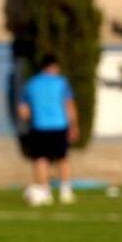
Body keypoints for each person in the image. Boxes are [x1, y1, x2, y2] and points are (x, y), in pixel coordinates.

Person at [17, 54, 78, 206]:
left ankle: (45, 192)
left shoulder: (31, 84)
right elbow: (68, 104)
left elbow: (23, 110)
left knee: (40, 159)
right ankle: (65, 191)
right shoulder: (61, 83)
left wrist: (31, 117)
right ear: (55, 67)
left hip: (39, 126)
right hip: (59, 125)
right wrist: (74, 125)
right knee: (62, 158)